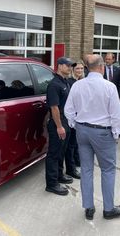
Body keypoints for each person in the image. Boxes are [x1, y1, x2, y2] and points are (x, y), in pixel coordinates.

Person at [65, 54, 120, 220]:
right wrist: (116, 133)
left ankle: (89, 207)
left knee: (86, 169)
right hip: (102, 132)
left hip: (82, 130)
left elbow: (68, 109)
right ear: (101, 67)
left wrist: (74, 124)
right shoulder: (109, 87)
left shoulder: (77, 85)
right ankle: (108, 209)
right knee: (107, 169)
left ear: (86, 67)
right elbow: (117, 114)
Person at [45, 56, 74, 196]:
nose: (70, 68)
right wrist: (59, 126)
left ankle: (59, 175)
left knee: (62, 151)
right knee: (54, 153)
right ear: (60, 66)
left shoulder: (65, 82)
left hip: (66, 120)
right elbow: (54, 108)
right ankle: (51, 183)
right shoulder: (54, 85)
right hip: (59, 122)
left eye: (70, 66)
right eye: (67, 65)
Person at [65, 60, 85, 178]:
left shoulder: (82, 81)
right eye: (77, 68)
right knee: (71, 144)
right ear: (73, 70)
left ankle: (77, 161)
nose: (80, 71)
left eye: (82, 69)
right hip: (72, 117)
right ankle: (71, 169)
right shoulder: (70, 82)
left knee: (77, 143)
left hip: (81, 116)